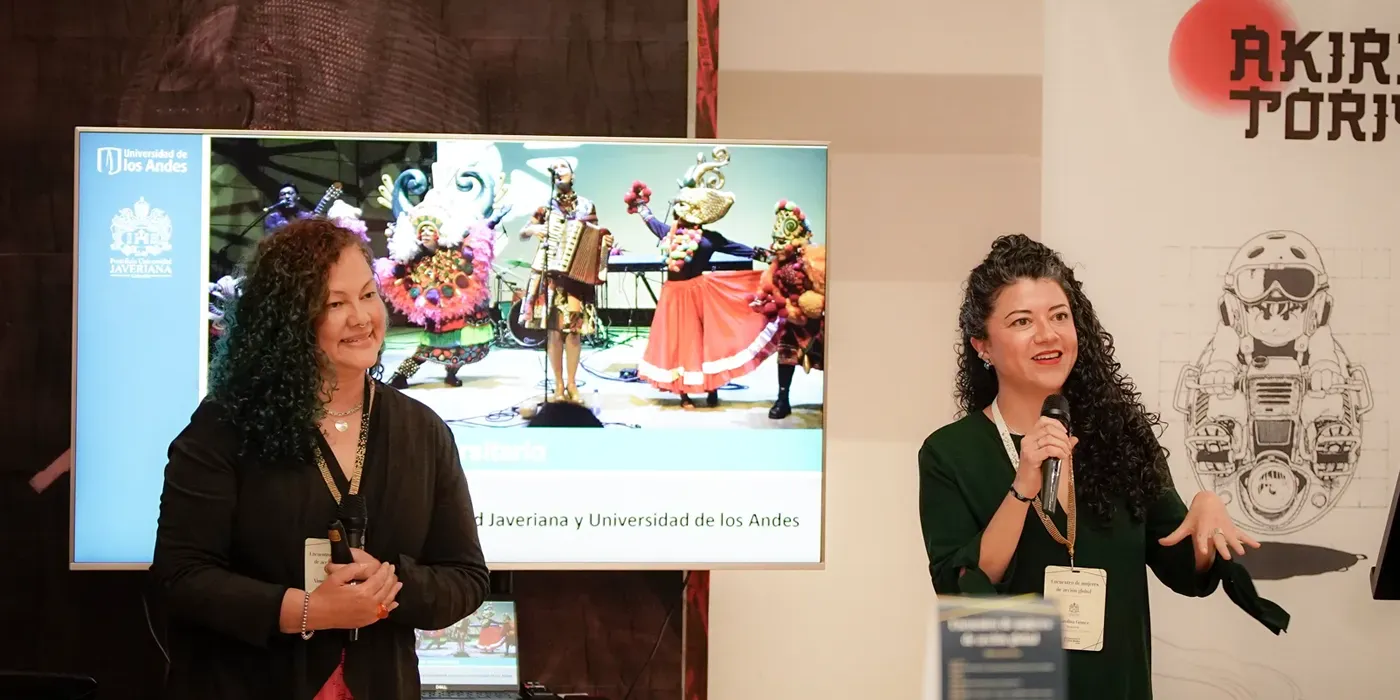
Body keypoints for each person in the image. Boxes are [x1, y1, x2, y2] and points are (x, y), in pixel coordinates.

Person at [918, 234, 1289, 700]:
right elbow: (961, 589)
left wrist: (1205, 516)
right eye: (1022, 321)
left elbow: (1184, 572)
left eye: (1059, 316)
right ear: (983, 346)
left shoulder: (1121, 435)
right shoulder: (950, 453)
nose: (1048, 334)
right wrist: (1023, 485)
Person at [152, 218, 491, 699]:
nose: (362, 318)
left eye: (368, 295)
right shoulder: (225, 425)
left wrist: (391, 586)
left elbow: (466, 577)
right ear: (290, 319)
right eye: (335, 303)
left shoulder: (422, 430)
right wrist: (308, 610)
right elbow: (181, 577)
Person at [623, 147, 778, 408]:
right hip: (674, 296)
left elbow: (740, 249)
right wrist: (639, 204)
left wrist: (772, 257)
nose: (681, 210)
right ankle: (683, 392)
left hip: (700, 293)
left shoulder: (709, 238)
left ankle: (711, 385)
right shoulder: (669, 233)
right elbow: (649, 219)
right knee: (679, 342)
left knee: (706, 340)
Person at [518, 161, 613, 402]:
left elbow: (595, 238)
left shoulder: (587, 205)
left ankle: (572, 383)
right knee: (554, 332)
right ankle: (558, 385)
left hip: (576, 279)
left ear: (573, 175)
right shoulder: (545, 207)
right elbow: (522, 233)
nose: (558, 170)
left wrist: (605, 244)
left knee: (573, 332)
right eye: (555, 168)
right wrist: (533, 230)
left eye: (563, 166)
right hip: (551, 275)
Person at [749, 200, 825, 419]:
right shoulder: (778, 262)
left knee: (826, 358)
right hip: (791, 319)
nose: (776, 246)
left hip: (815, 321)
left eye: (781, 241)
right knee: (785, 356)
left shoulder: (811, 260)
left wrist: (814, 304)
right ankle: (783, 399)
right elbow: (770, 284)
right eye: (775, 240)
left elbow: (822, 288)